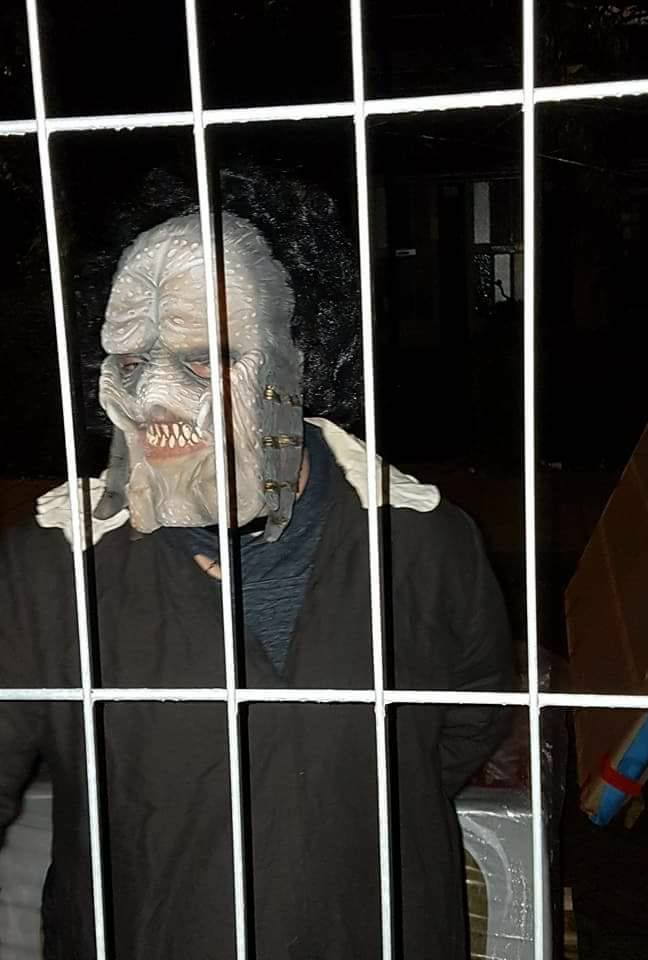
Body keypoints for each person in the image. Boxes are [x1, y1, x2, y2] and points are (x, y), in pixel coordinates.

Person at [0, 168, 512, 959]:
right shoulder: (51, 569)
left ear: (297, 358)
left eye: (204, 359)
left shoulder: (424, 543)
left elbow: (468, 716)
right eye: (129, 362)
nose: (153, 395)